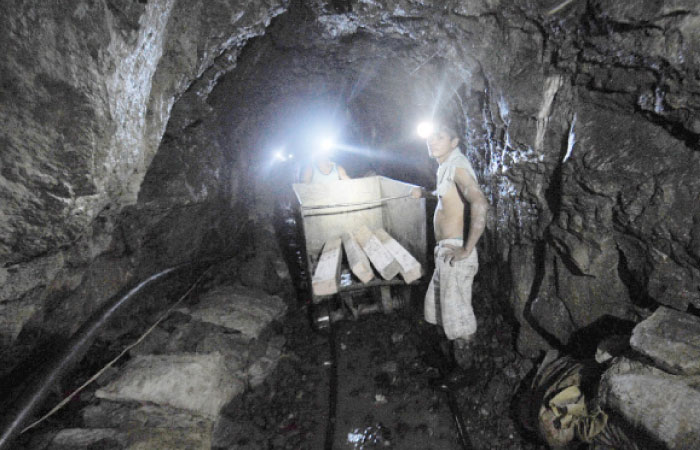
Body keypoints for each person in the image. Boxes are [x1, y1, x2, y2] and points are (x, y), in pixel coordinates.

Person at [410, 120, 489, 389]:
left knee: (458, 317)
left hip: (456, 252)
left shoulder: (457, 165)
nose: (432, 142)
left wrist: (467, 248)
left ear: (454, 142)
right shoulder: (445, 167)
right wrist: (426, 194)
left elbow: (479, 201)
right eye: (430, 138)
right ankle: (449, 360)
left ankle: (468, 371)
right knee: (438, 310)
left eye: (440, 137)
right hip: (444, 252)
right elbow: (448, 198)